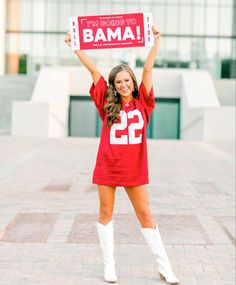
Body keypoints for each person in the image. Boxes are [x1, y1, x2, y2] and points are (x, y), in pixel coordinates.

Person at [64, 25, 179, 285]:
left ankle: (165, 267)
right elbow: (94, 71)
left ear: (133, 82)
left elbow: (148, 69)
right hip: (107, 166)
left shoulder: (144, 102)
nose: (124, 84)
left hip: (134, 168)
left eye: (127, 80)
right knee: (105, 213)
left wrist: (156, 42)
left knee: (146, 215)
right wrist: (75, 47)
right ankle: (109, 265)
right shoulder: (106, 100)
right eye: (119, 82)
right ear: (114, 86)